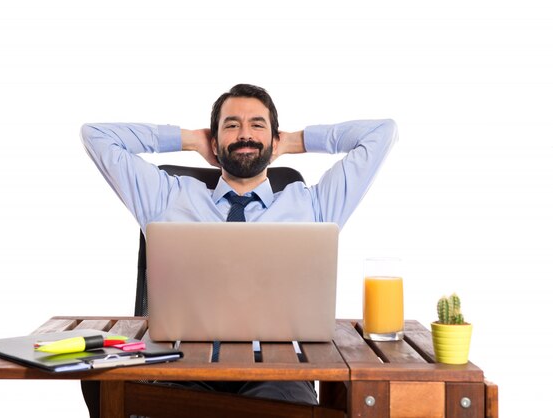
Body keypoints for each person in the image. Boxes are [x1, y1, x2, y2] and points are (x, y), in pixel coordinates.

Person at [80, 84, 398, 416]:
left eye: (257, 125)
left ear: (274, 140)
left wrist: (296, 141)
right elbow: (95, 136)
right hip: (183, 371)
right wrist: (188, 139)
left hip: (280, 374)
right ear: (214, 142)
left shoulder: (314, 205)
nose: (245, 134)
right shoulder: (166, 197)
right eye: (232, 125)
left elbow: (382, 133)